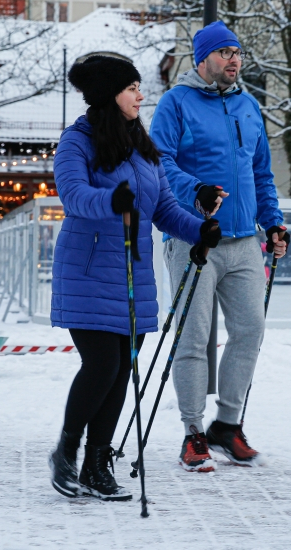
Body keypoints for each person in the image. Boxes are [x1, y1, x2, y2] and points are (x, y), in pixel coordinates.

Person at [49, 55, 222, 500]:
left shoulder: (143, 148)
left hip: (133, 273)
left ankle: (96, 463)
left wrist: (198, 229)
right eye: (131, 88)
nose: (140, 96)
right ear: (110, 94)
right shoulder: (77, 141)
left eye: (139, 87)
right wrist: (112, 201)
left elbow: (163, 209)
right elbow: (73, 196)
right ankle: (66, 453)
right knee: (102, 364)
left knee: (122, 369)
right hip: (88, 271)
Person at [149, 21, 289, 472]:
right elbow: (159, 161)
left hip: (245, 240)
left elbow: (262, 174)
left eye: (238, 52)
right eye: (225, 52)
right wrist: (196, 190)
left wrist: (273, 224)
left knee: (250, 331)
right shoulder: (176, 103)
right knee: (193, 337)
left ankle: (226, 425)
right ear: (202, 58)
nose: (234, 59)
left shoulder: (249, 106)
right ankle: (193, 432)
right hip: (195, 239)